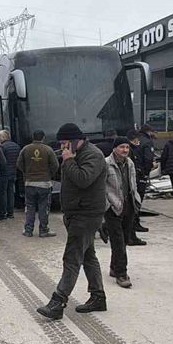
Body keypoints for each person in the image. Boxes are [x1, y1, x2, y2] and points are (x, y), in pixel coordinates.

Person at [37, 123, 107, 320]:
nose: (63, 147)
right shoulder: (76, 154)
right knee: (88, 256)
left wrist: (68, 161)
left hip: (86, 214)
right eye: (61, 143)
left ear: (77, 140)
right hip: (76, 212)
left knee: (72, 257)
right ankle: (98, 297)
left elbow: (83, 179)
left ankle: (58, 302)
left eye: (65, 143)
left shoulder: (92, 155)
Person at [104, 137, 143, 289]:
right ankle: (122, 274)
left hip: (129, 207)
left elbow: (132, 184)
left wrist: (136, 200)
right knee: (118, 241)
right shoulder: (106, 164)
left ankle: (114, 267)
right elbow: (100, 187)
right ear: (114, 148)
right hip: (113, 208)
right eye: (122, 147)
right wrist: (107, 205)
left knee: (124, 240)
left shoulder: (130, 163)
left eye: (127, 147)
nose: (125, 150)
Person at [16, 129, 60, 237]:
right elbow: (56, 165)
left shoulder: (25, 149)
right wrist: (49, 174)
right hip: (44, 183)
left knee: (30, 207)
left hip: (29, 183)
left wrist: (26, 172)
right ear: (43, 138)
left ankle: (28, 230)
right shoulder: (48, 150)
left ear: (32, 137)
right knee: (43, 207)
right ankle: (43, 230)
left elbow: (19, 164)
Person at [127, 129, 150, 237]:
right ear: (136, 138)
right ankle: (134, 225)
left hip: (132, 178)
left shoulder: (124, 147)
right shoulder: (133, 148)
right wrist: (145, 173)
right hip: (136, 178)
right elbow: (147, 159)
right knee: (136, 201)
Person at [0, 130, 21, 219]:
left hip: (4, 173)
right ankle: (11, 213)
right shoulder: (16, 146)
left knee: (3, 193)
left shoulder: (2, 147)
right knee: (11, 192)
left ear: (2, 137)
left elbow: (1, 161)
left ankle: (4, 212)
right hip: (13, 172)